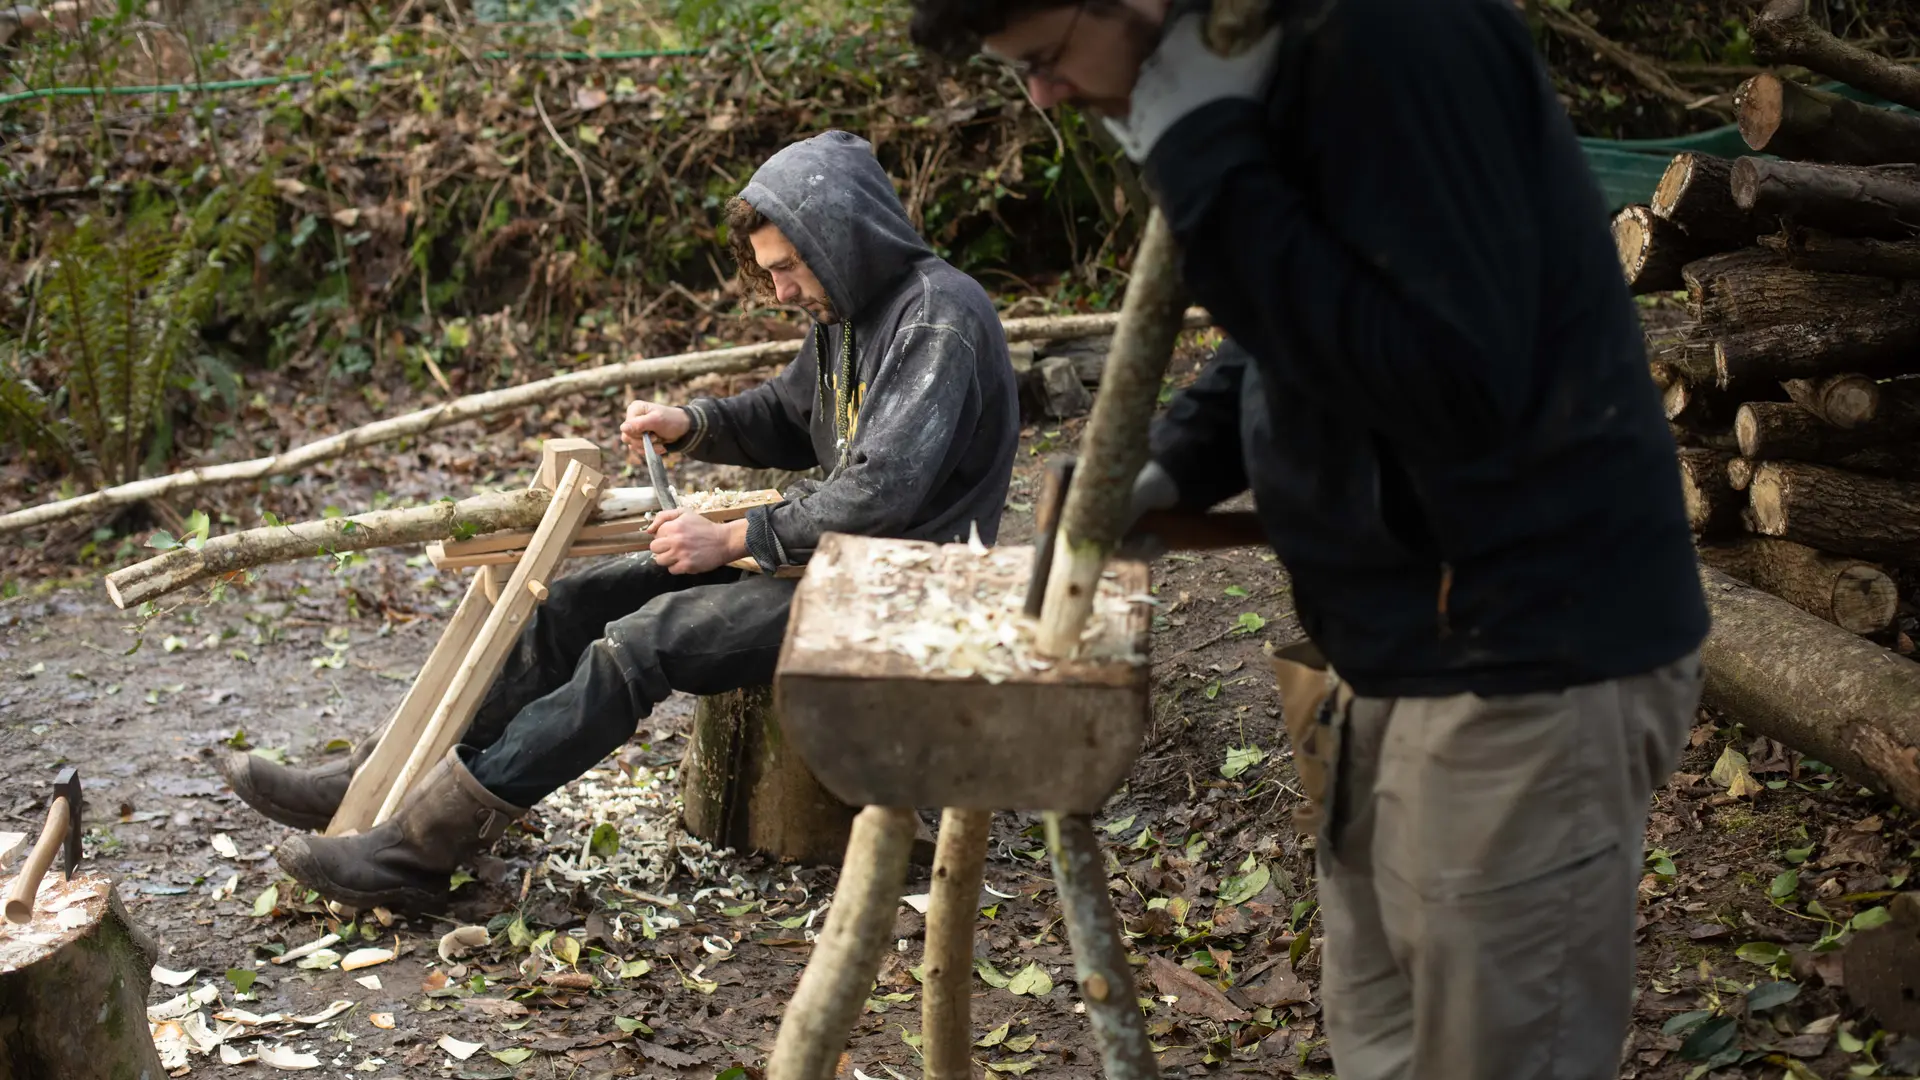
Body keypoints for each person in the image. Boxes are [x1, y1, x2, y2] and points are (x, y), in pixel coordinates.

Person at [905, 2, 1710, 1078]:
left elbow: (1451, 379)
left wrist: (1210, 170)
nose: (1045, 97)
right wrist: (1175, 461)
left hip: (1520, 654)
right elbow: (1296, 329)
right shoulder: (1274, 62)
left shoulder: (1400, 42)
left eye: (1047, 60)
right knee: (1382, 1043)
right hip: (1392, 654)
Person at [234, 130, 1020, 911]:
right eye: (773, 271)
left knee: (637, 647)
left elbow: (881, 493)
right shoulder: (849, 312)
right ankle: (386, 777)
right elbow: (789, 414)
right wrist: (694, 422)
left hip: (906, 590)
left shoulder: (935, 319)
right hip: (831, 557)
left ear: (841, 235)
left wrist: (738, 537)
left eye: (787, 266)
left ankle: (421, 849)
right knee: (577, 601)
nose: (780, 291)